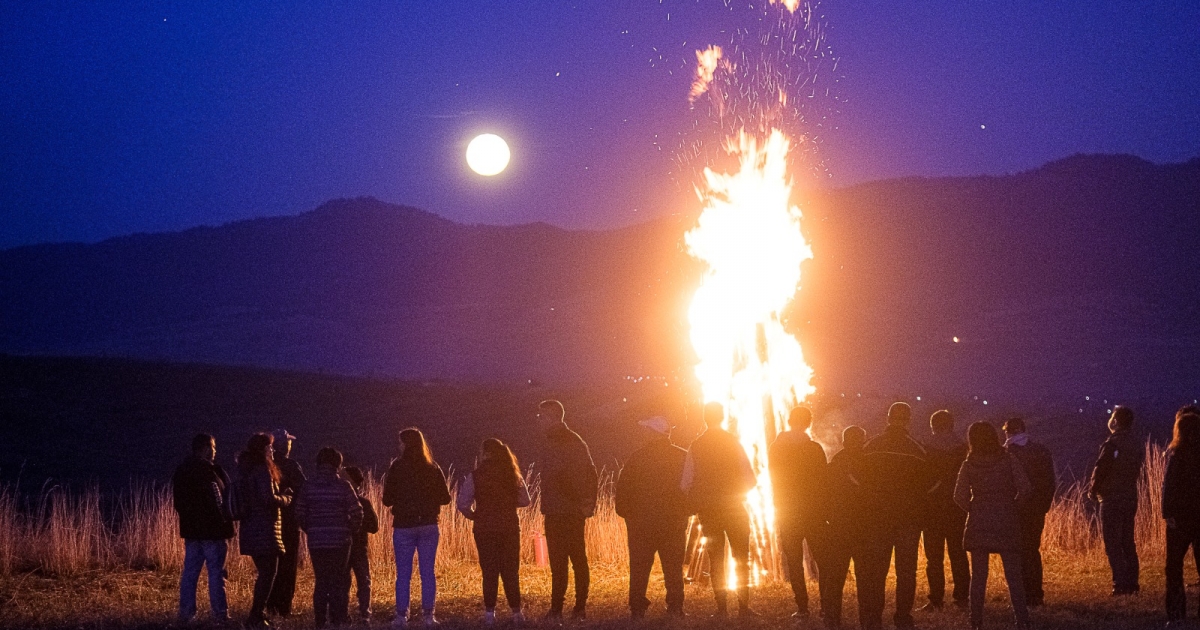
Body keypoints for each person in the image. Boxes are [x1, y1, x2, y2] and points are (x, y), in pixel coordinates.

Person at [681, 401, 757, 617]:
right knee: (742, 558)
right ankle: (743, 608)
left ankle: (721, 608)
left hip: (709, 512)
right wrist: (737, 492)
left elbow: (685, 483)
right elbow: (750, 478)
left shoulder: (696, 446)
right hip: (734, 509)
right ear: (722, 417)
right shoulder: (734, 443)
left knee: (716, 559)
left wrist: (701, 499)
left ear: (705, 418)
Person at [954, 421, 1032, 630]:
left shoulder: (969, 464)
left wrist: (974, 508)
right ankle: (1022, 620)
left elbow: (958, 496)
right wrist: (1012, 506)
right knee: (1013, 574)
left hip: (979, 519)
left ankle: (976, 621)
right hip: (1006, 518)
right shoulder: (1008, 460)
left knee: (978, 576)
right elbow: (1025, 488)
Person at [614, 416, 690, 619]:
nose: (643, 434)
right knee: (673, 568)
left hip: (642, 525)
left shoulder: (637, 458)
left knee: (639, 568)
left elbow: (623, 491)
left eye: (647, 431)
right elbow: (690, 489)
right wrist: (684, 513)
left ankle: (637, 607)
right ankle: (675, 606)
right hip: (673, 524)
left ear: (653, 434)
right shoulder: (682, 457)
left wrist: (628, 515)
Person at [862, 402, 929, 629]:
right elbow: (925, 487)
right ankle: (902, 617)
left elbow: (862, 482)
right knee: (906, 571)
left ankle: (873, 617)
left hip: (878, 519)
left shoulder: (871, 448)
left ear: (888, 418)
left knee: (877, 570)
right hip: (908, 520)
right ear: (908, 420)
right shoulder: (917, 451)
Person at [535, 399, 599, 620]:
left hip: (568, 511)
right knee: (561, 562)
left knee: (574, 560)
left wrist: (584, 503)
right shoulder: (558, 441)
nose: (539, 421)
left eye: (542, 416)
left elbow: (588, 475)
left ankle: (576, 607)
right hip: (557, 510)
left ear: (553, 417)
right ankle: (559, 608)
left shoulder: (570, 443)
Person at [457, 438, 532, 626]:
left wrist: (473, 515)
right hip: (509, 527)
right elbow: (525, 500)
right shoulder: (512, 473)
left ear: (485, 453)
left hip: (484, 528)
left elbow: (462, 503)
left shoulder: (476, 475)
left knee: (489, 570)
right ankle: (516, 612)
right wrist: (507, 504)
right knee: (511, 571)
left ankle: (490, 613)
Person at [383, 428, 451, 628]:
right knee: (427, 572)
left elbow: (387, 500)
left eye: (401, 442)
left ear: (406, 444)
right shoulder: (432, 467)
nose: (399, 446)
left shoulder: (397, 467)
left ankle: (402, 616)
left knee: (403, 573)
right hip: (429, 524)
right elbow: (445, 498)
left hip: (404, 526)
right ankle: (429, 615)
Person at [768, 406, 828, 619]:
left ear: (789, 421)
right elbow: (824, 482)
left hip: (787, 510)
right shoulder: (814, 449)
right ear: (808, 423)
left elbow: (774, 478)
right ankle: (826, 605)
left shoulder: (776, 448)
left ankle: (802, 607)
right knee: (822, 558)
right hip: (813, 511)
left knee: (793, 560)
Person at [295, 447, 364, 628]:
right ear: (337, 464)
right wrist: (349, 529)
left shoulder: (308, 486)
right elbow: (357, 512)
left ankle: (320, 621)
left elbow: (300, 512)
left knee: (321, 580)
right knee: (338, 580)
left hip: (317, 541)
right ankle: (337, 619)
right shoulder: (344, 486)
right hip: (340, 540)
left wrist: (310, 528)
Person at [172, 433, 235, 624]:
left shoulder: (182, 471)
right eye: (214, 447)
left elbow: (179, 503)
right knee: (216, 573)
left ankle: (186, 613)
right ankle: (220, 614)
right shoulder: (210, 473)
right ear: (206, 448)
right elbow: (218, 501)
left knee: (190, 573)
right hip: (213, 532)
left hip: (192, 532)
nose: (215, 451)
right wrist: (224, 522)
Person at [236, 432, 294, 629]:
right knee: (269, 573)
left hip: (252, 529)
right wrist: (286, 498)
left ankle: (258, 613)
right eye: (269, 447)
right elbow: (268, 499)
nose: (272, 450)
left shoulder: (247, 471)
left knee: (265, 572)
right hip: (264, 529)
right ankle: (256, 615)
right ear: (263, 450)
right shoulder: (262, 471)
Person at [820, 425, 873, 630]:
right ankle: (868, 619)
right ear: (863, 441)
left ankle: (832, 618)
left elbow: (822, 497)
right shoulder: (870, 464)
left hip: (837, 528)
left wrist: (826, 520)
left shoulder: (833, 465)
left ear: (844, 442)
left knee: (835, 577)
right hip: (863, 529)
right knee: (866, 577)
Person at [1088, 406, 1145, 595]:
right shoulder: (1136, 444)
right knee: (1128, 541)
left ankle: (1119, 583)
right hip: (1130, 496)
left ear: (1117, 421)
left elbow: (1101, 468)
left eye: (1112, 417)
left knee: (1112, 542)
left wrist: (1093, 489)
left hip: (1112, 498)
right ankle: (1132, 583)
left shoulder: (1112, 444)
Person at [1003, 417, 1056, 607]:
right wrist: (1044, 506)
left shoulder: (1006, 452)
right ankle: (1035, 594)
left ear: (1008, 432)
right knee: (1032, 551)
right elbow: (1050, 481)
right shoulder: (1041, 450)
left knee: (1015, 553)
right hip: (1036, 510)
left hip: (1015, 510)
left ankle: (1021, 595)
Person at [920, 410, 969, 611]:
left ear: (933, 426)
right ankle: (962, 597)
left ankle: (936, 598)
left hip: (932, 510)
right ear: (951, 425)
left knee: (934, 558)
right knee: (958, 554)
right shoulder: (963, 449)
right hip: (957, 509)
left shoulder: (926, 449)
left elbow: (921, 480)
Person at [1162, 411, 1200, 624]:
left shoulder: (1177, 454)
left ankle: (1176, 614)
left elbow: (1169, 486)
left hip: (1181, 519)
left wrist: (1167, 514)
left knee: (1174, 567)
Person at [267, 428, 306, 618]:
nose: (291, 445)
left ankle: (270, 604)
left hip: (270, 522)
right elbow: (303, 489)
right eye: (289, 442)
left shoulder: (266, 465)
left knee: (271, 565)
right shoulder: (291, 466)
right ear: (285, 445)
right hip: (289, 522)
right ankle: (284, 607)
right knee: (288, 565)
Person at [345, 466, 380, 623]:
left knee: (344, 580)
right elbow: (374, 527)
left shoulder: (343, 501)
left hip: (346, 547)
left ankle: (342, 612)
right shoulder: (364, 503)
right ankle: (364, 613)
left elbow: (374, 526)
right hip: (359, 547)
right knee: (363, 580)